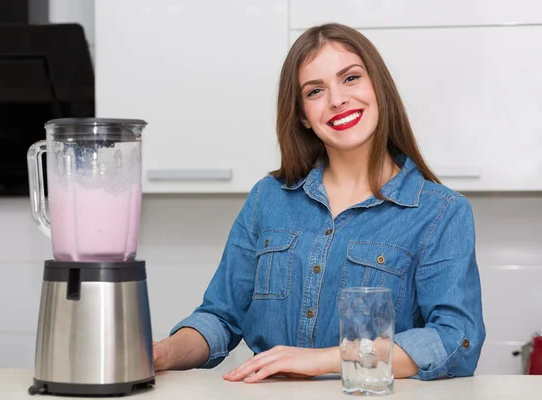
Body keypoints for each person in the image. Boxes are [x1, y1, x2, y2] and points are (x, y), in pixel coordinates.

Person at [152, 22, 486, 383]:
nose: (337, 99)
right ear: (302, 116)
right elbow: (220, 317)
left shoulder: (439, 211)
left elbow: (455, 340)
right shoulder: (269, 197)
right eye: (315, 91)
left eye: (351, 78)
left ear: (379, 86)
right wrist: (161, 353)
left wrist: (327, 360)